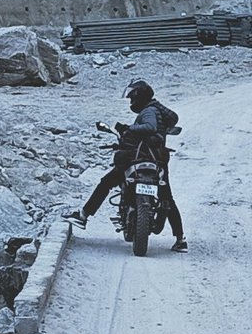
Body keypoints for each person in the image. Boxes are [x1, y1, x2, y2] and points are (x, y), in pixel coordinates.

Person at [69, 79, 186, 250]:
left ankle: (83, 216)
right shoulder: (154, 109)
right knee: (166, 198)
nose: (131, 101)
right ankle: (180, 239)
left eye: (133, 98)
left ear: (140, 97)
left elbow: (150, 127)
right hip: (157, 160)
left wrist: (128, 129)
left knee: (106, 183)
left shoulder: (149, 111)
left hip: (139, 158)